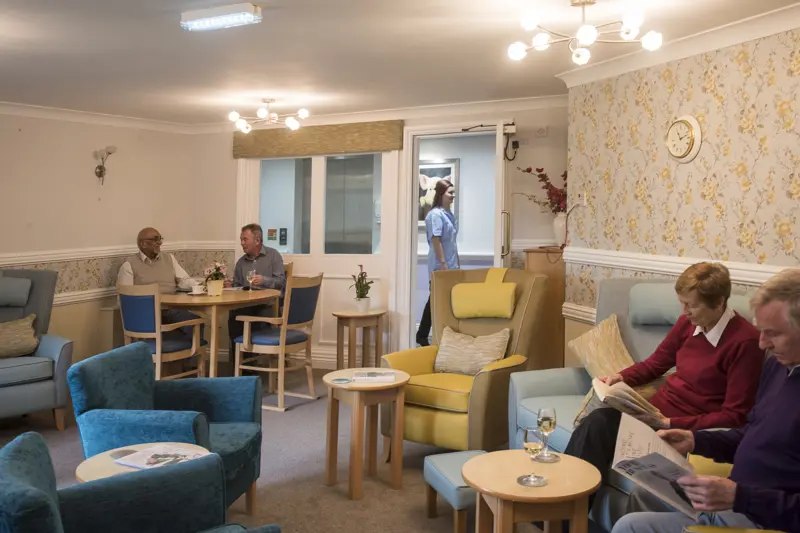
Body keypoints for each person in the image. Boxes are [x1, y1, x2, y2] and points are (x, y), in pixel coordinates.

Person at [612, 268, 800, 533]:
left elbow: (734, 415)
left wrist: (740, 497)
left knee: (629, 526)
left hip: (761, 517)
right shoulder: (780, 367)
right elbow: (749, 434)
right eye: (761, 330)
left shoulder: (749, 346)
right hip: (734, 498)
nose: (762, 343)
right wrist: (696, 440)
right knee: (644, 493)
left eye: (773, 333)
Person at [564, 262, 764, 507]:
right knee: (596, 422)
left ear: (719, 302)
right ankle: (561, 509)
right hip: (651, 417)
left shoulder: (745, 343)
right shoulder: (687, 324)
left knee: (597, 430)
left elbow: (735, 416)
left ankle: (564, 516)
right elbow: (654, 365)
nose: (684, 311)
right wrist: (620, 378)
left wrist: (672, 423)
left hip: (679, 432)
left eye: (691, 305)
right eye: (682, 303)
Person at [117, 227, 202, 338]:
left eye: (160, 239)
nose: (160, 243)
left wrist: (200, 285)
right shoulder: (129, 266)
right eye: (155, 239)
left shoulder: (169, 258)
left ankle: (187, 348)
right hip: (147, 314)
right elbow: (125, 300)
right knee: (191, 320)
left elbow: (184, 280)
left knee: (195, 320)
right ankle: (187, 347)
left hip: (171, 309)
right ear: (143, 244)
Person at [227, 223, 286, 351]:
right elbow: (237, 286)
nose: (242, 243)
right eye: (241, 240)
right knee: (234, 317)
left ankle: (254, 359)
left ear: (257, 240)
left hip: (268, 305)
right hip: (246, 305)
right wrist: (230, 285)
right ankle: (239, 360)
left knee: (254, 318)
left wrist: (264, 280)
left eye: (245, 239)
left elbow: (281, 282)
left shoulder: (273, 256)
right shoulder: (241, 262)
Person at [416, 180, 459, 346]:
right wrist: (443, 263)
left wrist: (456, 264)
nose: (453, 196)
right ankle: (423, 335)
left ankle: (429, 335)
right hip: (440, 265)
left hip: (451, 264)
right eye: (450, 193)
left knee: (442, 300)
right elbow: (436, 240)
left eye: (453, 192)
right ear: (441, 194)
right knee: (436, 299)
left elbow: (452, 243)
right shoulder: (435, 215)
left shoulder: (449, 214)